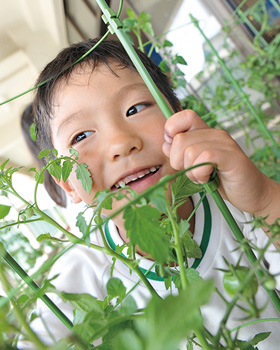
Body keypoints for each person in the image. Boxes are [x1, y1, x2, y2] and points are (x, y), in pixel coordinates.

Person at [20, 38, 280, 349]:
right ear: (67, 185)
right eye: (81, 135)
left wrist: (265, 199)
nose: (120, 143)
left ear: (181, 117)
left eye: (136, 108)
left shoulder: (237, 203)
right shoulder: (77, 278)